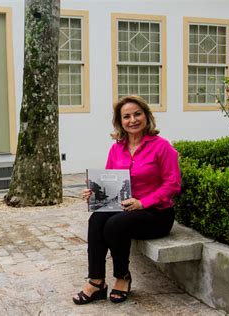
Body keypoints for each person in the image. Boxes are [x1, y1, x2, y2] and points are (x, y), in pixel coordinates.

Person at [72, 95, 181, 305]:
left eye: (137, 114)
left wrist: (143, 202)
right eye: (126, 116)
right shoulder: (116, 148)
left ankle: (123, 277)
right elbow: (110, 181)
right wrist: (95, 192)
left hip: (157, 213)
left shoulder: (162, 147)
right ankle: (96, 282)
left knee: (115, 225)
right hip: (127, 208)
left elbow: (173, 184)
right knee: (96, 220)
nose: (133, 120)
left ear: (146, 116)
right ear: (120, 121)